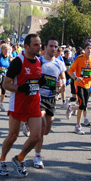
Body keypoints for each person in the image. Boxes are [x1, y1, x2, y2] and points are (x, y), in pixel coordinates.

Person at [0, 34, 42, 177]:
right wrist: (20, 88)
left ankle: (20, 158)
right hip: (18, 104)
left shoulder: (39, 61)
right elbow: (5, 84)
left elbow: (37, 81)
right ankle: (2, 160)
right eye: (35, 44)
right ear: (27, 46)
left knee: (36, 137)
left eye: (39, 44)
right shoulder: (18, 62)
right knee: (13, 136)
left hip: (34, 104)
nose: (39, 47)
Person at [33, 37, 66, 169]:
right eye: (51, 46)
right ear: (45, 47)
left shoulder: (59, 63)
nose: (53, 49)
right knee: (41, 128)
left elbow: (63, 79)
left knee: (46, 130)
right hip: (38, 98)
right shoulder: (38, 61)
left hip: (52, 98)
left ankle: (30, 126)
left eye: (55, 46)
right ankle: (37, 156)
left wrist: (62, 83)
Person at [67, 42, 91, 134]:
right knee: (82, 104)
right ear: (84, 50)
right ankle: (78, 126)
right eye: (88, 48)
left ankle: (71, 108)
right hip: (79, 84)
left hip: (88, 85)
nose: (90, 50)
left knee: (84, 106)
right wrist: (76, 78)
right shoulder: (79, 58)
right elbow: (70, 71)